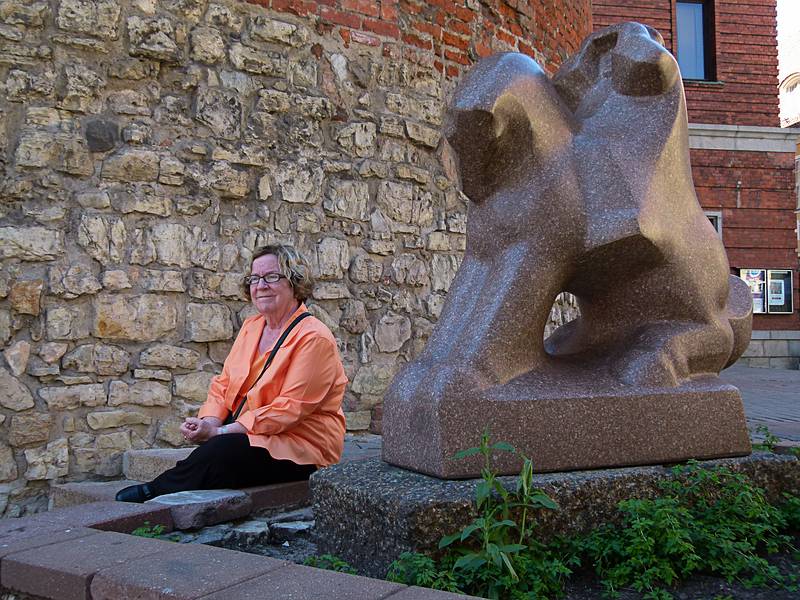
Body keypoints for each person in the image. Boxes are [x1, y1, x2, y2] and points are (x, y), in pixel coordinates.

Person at [116, 244, 347, 502]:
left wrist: (221, 433)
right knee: (221, 448)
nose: (261, 285)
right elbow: (224, 385)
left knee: (224, 450)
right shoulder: (252, 326)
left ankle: (155, 491)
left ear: (295, 283)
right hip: (253, 431)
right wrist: (211, 422)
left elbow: (289, 409)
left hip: (301, 447)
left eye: (272, 276)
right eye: (255, 279)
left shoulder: (314, 337)